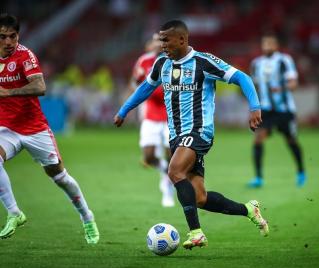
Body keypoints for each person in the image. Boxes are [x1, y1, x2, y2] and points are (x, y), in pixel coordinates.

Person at [114, 20, 269, 249]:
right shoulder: (161, 64)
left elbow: (242, 78)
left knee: (174, 171)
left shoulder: (203, 62)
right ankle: (249, 210)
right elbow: (145, 88)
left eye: (166, 39)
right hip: (176, 135)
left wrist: (254, 106)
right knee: (199, 198)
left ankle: (196, 233)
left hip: (199, 131)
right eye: (160, 39)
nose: (162, 44)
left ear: (182, 39)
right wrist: (124, 110)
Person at [0, 14, 99, 243]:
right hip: (6, 128)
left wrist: (9, 92)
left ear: (18, 36)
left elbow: (40, 86)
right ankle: (15, 213)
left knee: (60, 177)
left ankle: (87, 217)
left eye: (12, 36)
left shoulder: (25, 55)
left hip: (35, 129)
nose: (8, 42)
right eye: (3, 37)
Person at [247, 34, 306, 188]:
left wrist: (281, 88)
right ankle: (258, 178)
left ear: (276, 45)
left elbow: (293, 83)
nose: (267, 46)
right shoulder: (256, 63)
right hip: (266, 109)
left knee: (291, 140)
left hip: (284, 110)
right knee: (258, 138)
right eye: (265, 43)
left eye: (270, 44)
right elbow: (255, 86)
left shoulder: (284, 60)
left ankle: (301, 171)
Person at [128, 33, 174, 207]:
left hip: (171, 114)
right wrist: (140, 94)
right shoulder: (144, 61)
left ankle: (168, 189)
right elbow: (133, 82)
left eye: (160, 41)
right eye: (154, 41)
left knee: (172, 154)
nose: (157, 44)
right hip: (151, 114)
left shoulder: (174, 61)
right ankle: (167, 172)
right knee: (148, 157)